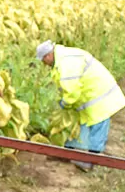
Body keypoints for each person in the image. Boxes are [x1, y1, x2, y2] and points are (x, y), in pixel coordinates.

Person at [36, 40, 125, 171]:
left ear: (48, 55)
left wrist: (65, 103)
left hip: (99, 94)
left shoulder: (66, 62)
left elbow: (72, 91)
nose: (44, 64)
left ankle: (92, 160)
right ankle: (67, 152)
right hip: (89, 94)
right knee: (78, 125)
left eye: (43, 60)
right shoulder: (62, 58)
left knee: (98, 125)